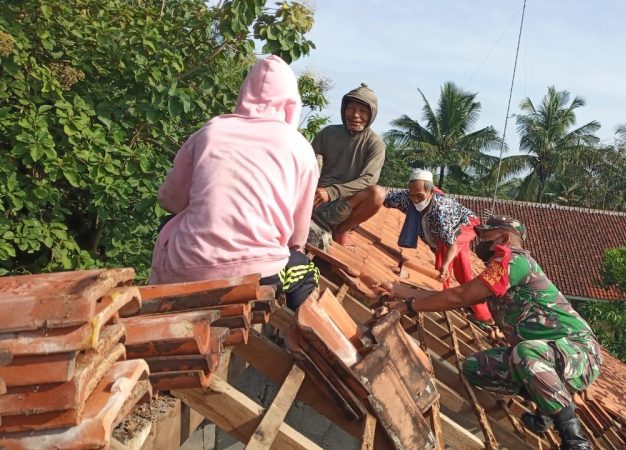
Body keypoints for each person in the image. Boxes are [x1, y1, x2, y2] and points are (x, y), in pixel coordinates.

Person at [380, 215, 602, 450]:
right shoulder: (500, 267)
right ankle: (546, 403)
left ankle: (576, 440)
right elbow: (456, 296)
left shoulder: (512, 262)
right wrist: (398, 290)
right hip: (543, 356)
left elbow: (459, 297)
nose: (480, 242)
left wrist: (410, 306)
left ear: (504, 238)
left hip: (578, 352)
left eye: (485, 237)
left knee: (526, 352)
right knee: (474, 368)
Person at [150, 55, 319, 310]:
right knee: (306, 273)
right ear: (290, 104)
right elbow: (297, 235)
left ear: (244, 93)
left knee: (169, 227)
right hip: (258, 273)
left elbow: (169, 201)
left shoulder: (210, 131)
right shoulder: (300, 148)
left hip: (184, 265)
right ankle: (300, 339)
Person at [383, 168, 492, 323]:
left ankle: (447, 299)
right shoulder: (404, 198)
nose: (415, 199)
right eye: (412, 195)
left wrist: (446, 265)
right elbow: (384, 198)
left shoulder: (440, 210)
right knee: (458, 271)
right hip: (443, 239)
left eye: (419, 196)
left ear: (431, 192)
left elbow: (451, 245)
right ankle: (479, 311)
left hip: (466, 226)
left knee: (448, 265)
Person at [311, 83, 386, 246]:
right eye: (351, 108)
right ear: (344, 109)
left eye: (363, 111)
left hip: (345, 205)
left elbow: (369, 180)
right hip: (315, 199)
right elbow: (305, 162)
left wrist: (331, 192)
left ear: (372, 114)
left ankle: (343, 229)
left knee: (378, 194)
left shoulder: (375, 144)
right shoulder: (328, 133)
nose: (355, 115)